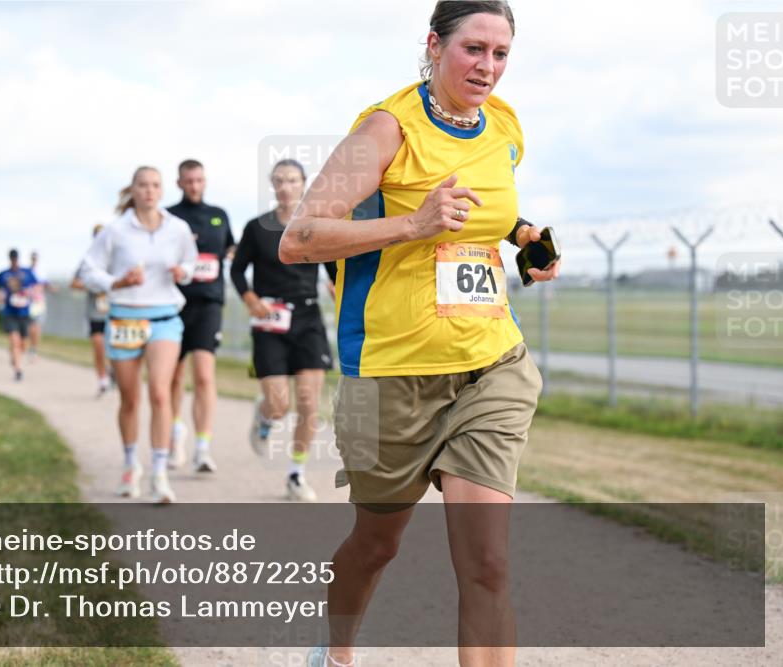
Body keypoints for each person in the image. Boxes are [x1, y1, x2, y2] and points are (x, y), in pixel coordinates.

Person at [278, 3, 560, 665]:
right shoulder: (388, 128)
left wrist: (527, 243)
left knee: (487, 561)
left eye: (500, 54)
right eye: (473, 50)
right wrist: (413, 225)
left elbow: (490, 217)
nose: (487, 67)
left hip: (490, 365)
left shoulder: (507, 126)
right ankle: (337, 646)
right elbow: (301, 238)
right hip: (390, 376)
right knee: (377, 543)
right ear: (434, 45)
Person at [80, 166, 197, 504]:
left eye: (155, 185)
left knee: (160, 393)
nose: (149, 191)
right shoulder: (116, 230)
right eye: (143, 185)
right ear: (133, 190)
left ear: (162, 190)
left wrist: (182, 272)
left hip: (165, 318)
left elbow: (190, 264)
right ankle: (132, 465)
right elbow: (87, 270)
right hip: (125, 319)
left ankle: (159, 473)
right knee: (130, 399)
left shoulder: (178, 228)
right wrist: (117, 282)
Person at [230, 158, 336, 503]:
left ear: (303, 184)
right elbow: (237, 270)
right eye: (279, 181)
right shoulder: (256, 228)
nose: (285, 186)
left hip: (307, 319)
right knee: (279, 404)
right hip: (269, 319)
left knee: (308, 403)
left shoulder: (316, 225)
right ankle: (264, 417)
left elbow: (335, 268)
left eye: (292, 180)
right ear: (272, 185)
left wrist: (339, 288)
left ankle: (296, 474)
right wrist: (250, 298)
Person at [166, 159, 235, 473]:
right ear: (179, 183)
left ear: (205, 181)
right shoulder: (170, 217)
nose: (195, 186)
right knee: (174, 376)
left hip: (209, 303)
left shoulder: (219, 216)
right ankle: (175, 432)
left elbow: (230, 250)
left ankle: (203, 447)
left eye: (199, 180)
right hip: (175, 303)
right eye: (189, 181)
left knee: (205, 374)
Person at [70, 224, 112, 397]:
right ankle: (102, 378)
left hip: (115, 309)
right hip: (96, 311)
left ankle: (115, 372)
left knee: (117, 348)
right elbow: (74, 283)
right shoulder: (88, 260)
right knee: (98, 344)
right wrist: (92, 286)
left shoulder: (117, 256)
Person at [0, 249, 37, 381]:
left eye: (15, 258)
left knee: (23, 343)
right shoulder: (3, 274)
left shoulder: (27, 273)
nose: (14, 260)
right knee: (14, 340)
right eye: (12, 258)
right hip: (10, 312)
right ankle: (18, 370)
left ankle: (15, 356)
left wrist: (30, 295)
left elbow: (36, 286)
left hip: (24, 312)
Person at [27, 251, 54, 361]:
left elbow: (47, 285)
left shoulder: (41, 272)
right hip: (29, 303)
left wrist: (52, 288)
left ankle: (34, 349)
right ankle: (31, 347)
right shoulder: (28, 272)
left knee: (37, 327)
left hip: (39, 303)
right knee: (31, 327)